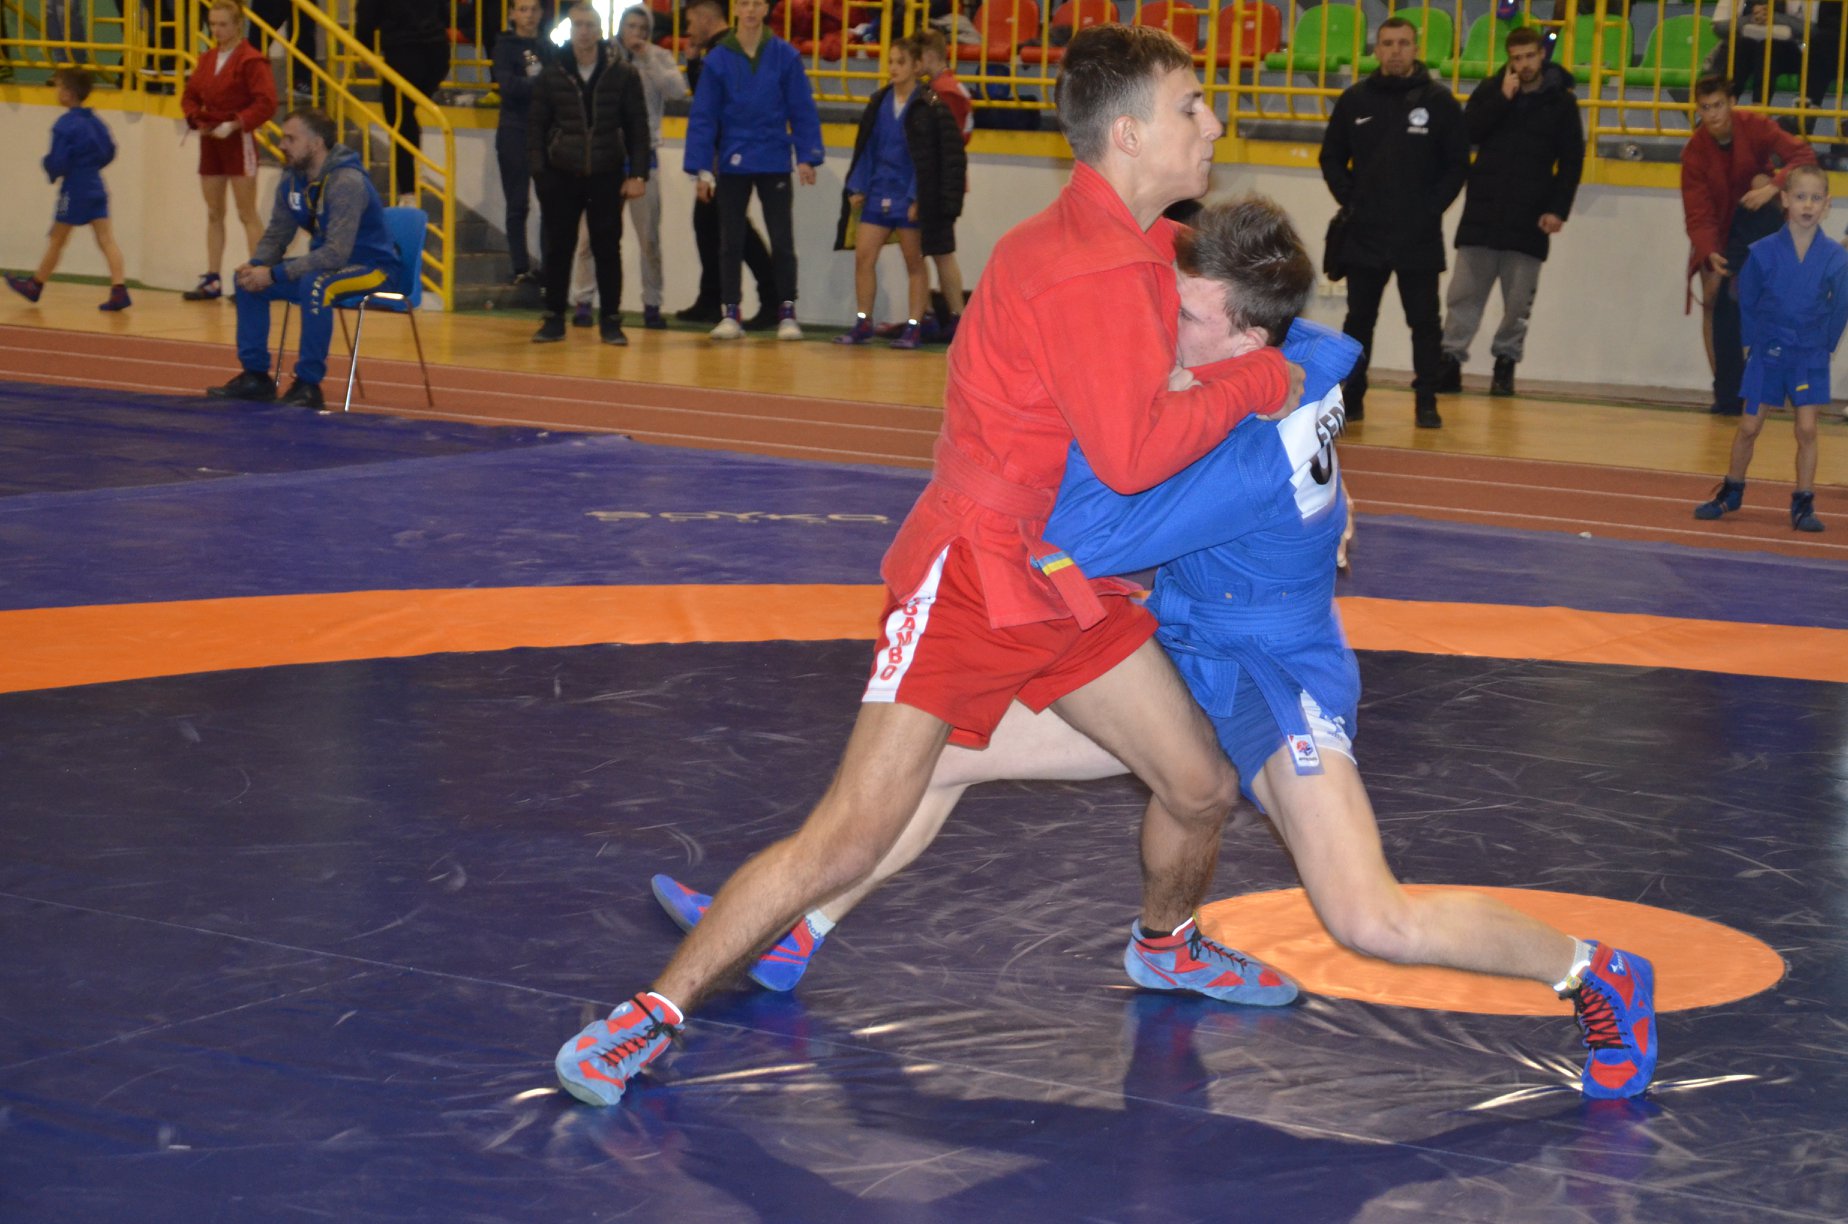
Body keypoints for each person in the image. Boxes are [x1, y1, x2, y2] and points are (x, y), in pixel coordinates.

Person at [656, 196, 1661, 1103]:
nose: (1158, 325)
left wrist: (1043, 419)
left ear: (1244, 334)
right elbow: (1309, 358)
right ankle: (799, 926)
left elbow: (1073, 526)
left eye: (1183, 314)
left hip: (1267, 682)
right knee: (949, 750)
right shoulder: (1282, 355)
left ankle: (1596, 972)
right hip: (1183, 640)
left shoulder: (1240, 454)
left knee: (1371, 921)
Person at [554, 24, 1302, 1109]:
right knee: (849, 833)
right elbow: (1136, 455)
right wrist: (1262, 384)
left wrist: (1275, 392)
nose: (1214, 123)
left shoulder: (1139, 245)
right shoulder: (1086, 267)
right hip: (970, 570)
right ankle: (648, 1016)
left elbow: (1192, 371)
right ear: (1131, 135)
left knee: (1198, 784)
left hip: (1049, 568)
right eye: (1192, 105)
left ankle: (1166, 944)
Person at [1318, 16, 1467, 429]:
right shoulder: (1355, 100)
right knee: (1358, 322)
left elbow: (1458, 165)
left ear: (1416, 49)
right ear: (1377, 50)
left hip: (1419, 236)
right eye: (1387, 43)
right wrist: (1352, 200)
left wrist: (1430, 208)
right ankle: (1352, 398)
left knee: (1425, 324)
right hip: (1364, 234)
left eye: (1403, 43)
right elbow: (1331, 157)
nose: (1395, 51)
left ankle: (1426, 401)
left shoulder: (1439, 102)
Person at [203, 108, 398, 412]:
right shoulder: (293, 180)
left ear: (316, 143)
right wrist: (258, 265)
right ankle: (256, 377)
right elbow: (277, 235)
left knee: (315, 285)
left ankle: (308, 385)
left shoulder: (346, 182)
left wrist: (275, 274)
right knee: (245, 280)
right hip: (328, 265)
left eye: (290, 139)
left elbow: (336, 253)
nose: (281, 145)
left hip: (374, 269)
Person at [1693, 163, 1844, 532]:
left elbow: (1841, 304)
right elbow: (1748, 299)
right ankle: (1731, 490)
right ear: (1785, 200)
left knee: (1807, 430)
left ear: (1827, 204)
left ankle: (1804, 502)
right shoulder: (1762, 251)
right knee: (1748, 425)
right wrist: (1751, 344)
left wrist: (1825, 344)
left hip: (1808, 354)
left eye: (1816, 198)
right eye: (1800, 197)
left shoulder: (1836, 257)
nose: (1808, 205)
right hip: (1768, 351)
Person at [1436, 27, 1582, 399]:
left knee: (1518, 304)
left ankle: (1505, 364)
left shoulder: (1561, 102)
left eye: (1530, 56)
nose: (1524, 64)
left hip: (1531, 217)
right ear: (1509, 59)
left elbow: (1571, 161)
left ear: (1542, 55)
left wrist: (1557, 209)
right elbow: (1467, 134)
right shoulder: (1491, 90)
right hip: (1482, 213)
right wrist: (1502, 99)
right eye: (1517, 58)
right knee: (1462, 296)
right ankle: (1449, 361)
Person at [682, 0, 825, 340]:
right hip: (733, 159)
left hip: (774, 156)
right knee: (730, 240)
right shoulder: (718, 59)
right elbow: (704, 116)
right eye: (744, 3)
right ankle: (731, 312)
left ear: (765, 10)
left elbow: (801, 107)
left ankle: (786, 312)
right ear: (735, 10)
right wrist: (702, 169)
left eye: (756, 3)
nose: (749, 10)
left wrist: (806, 155)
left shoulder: (785, 55)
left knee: (782, 239)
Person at [1681, 74, 1817, 416]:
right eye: (1705, 107)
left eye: (1718, 105)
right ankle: (1727, 392)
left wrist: (1773, 186)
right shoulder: (1694, 151)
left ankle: (1780, 384)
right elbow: (1697, 211)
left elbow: (1803, 156)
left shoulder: (1755, 125)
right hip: (1722, 230)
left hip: (1760, 223)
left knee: (1774, 303)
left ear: (1732, 104)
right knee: (1717, 298)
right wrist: (1709, 250)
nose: (1713, 114)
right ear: (1698, 109)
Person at [527, 2, 652, 346]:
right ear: (570, 30)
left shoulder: (623, 73)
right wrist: (540, 173)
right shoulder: (552, 73)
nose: (583, 31)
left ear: (600, 30)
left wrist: (638, 174)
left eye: (589, 25)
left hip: (606, 173)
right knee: (558, 249)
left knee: (607, 249)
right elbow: (536, 127)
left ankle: (611, 321)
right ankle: (553, 319)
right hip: (561, 174)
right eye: (577, 25)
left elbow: (638, 127)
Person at [832, 35, 966, 350]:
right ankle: (863, 321)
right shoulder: (879, 102)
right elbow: (867, 147)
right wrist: (857, 185)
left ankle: (915, 326)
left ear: (917, 66)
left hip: (908, 197)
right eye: (890, 62)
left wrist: (919, 197)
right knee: (863, 256)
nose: (893, 68)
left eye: (901, 62)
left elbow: (929, 159)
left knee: (914, 263)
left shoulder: (929, 105)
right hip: (878, 191)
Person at [564, 5, 688, 330]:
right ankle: (583, 300)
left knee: (649, 238)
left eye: (642, 28)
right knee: (589, 235)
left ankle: (652, 304)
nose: (636, 32)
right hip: (606, 156)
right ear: (620, 27)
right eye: (631, 26)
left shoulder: (658, 56)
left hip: (645, 155)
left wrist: (645, 57)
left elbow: (676, 90)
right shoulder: (604, 55)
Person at [675, 0, 777, 327]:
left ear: (706, 17)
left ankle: (770, 298)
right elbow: (708, 100)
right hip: (725, 152)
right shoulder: (718, 50)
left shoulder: (726, 51)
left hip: (728, 154)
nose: (688, 30)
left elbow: (719, 108)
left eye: (691, 22)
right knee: (712, 226)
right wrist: (693, 63)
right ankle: (714, 297)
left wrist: (714, 161)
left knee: (733, 230)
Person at [5, 68, 130, 312]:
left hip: (72, 189)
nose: (57, 91)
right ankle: (119, 289)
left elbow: (58, 161)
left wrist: (49, 168)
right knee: (106, 239)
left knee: (57, 237)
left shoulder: (64, 125)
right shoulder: (96, 122)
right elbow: (109, 151)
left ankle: (35, 285)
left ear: (68, 93)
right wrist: (91, 167)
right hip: (96, 186)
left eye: (59, 87)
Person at [179, 0, 278, 303]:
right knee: (213, 212)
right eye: (212, 24)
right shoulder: (207, 59)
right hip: (211, 139)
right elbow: (190, 95)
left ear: (238, 25)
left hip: (238, 139)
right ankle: (212, 278)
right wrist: (196, 119)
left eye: (222, 24)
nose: (216, 30)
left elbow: (266, 102)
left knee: (246, 212)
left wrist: (236, 124)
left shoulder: (251, 60)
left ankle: (256, 277)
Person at [356, 0, 451, 204]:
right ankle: (414, 171)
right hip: (437, 51)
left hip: (404, 51)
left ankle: (408, 190)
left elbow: (366, 14)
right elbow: (446, 13)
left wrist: (365, 48)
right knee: (405, 115)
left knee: (398, 118)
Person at [916, 27, 972, 339]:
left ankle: (951, 316)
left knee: (937, 251)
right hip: (942, 180)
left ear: (929, 55)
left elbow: (943, 143)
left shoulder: (942, 92)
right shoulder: (949, 87)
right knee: (929, 251)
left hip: (938, 181)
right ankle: (932, 314)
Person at [491, 0, 550, 286]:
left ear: (541, 13)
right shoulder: (504, 46)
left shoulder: (549, 47)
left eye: (534, 9)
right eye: (523, 9)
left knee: (550, 201)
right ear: (512, 14)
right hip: (514, 130)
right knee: (517, 203)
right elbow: (509, 87)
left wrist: (535, 86)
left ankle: (549, 269)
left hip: (545, 132)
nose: (529, 15)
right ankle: (520, 267)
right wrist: (542, 85)